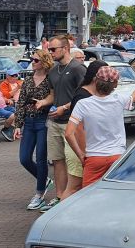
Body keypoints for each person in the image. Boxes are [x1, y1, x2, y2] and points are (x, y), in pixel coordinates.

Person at [65, 66, 135, 187]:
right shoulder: (119, 100)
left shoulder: (82, 104)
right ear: (115, 85)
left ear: (95, 81)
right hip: (117, 155)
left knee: (89, 196)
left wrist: (80, 155)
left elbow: (68, 134)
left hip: (94, 157)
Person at [37, 35, 86, 212]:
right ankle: (59, 196)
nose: (50, 53)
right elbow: (52, 94)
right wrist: (44, 102)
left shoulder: (77, 68)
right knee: (57, 159)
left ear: (65, 49)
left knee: (73, 161)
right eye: (49, 49)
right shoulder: (53, 70)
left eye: (53, 49)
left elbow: (83, 96)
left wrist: (64, 108)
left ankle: (72, 196)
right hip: (54, 121)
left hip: (71, 123)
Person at [13, 50, 55, 210]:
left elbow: (54, 98)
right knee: (24, 158)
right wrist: (18, 124)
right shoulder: (28, 80)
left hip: (43, 121)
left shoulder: (51, 79)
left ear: (44, 62)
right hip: (29, 122)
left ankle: (39, 194)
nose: (33, 62)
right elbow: (21, 102)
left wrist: (45, 103)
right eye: (32, 59)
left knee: (42, 158)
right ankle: (44, 180)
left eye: (36, 60)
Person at [61, 60, 107, 200]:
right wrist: (84, 154)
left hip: (82, 147)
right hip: (79, 148)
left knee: (78, 187)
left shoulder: (87, 93)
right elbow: (78, 130)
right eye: (103, 76)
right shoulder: (83, 95)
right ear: (95, 78)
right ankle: (60, 217)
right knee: (73, 187)